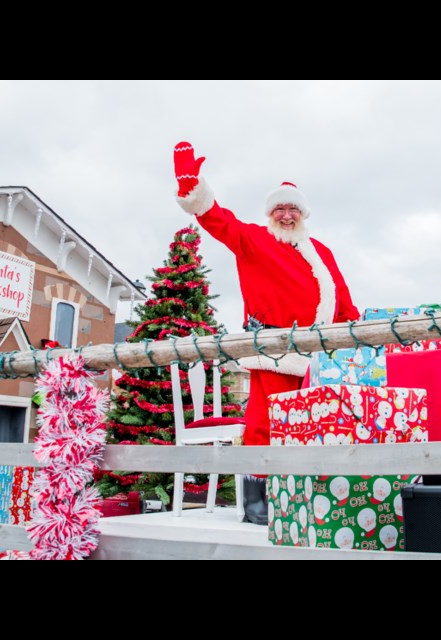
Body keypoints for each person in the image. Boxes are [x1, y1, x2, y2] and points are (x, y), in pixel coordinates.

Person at [173, 141, 360, 524]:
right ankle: (257, 501)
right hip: (273, 347)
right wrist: (196, 192)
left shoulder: (321, 250)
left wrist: (355, 334)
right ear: (270, 213)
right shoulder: (255, 240)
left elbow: (342, 298)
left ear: (303, 213)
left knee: (312, 425)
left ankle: (305, 496)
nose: (286, 214)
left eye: (293, 208)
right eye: (280, 208)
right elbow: (220, 222)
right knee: (265, 422)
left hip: (319, 353)